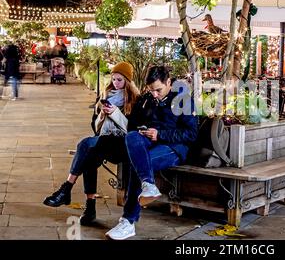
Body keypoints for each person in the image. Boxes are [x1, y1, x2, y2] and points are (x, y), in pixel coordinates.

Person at [105, 66, 198, 240]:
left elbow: (191, 134)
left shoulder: (183, 100)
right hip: (147, 141)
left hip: (173, 148)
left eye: (158, 90)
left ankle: (128, 221)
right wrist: (141, 129)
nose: (155, 94)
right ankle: (148, 185)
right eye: (151, 90)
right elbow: (131, 126)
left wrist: (160, 134)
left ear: (168, 82)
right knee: (132, 137)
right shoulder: (148, 99)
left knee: (137, 163)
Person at [43, 62, 140, 226]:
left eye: (120, 80)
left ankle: (66, 189)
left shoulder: (135, 100)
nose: (115, 83)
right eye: (114, 79)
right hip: (104, 141)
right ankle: (89, 208)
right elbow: (95, 128)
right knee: (89, 156)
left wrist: (115, 113)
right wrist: (102, 115)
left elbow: (131, 130)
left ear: (128, 82)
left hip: (122, 145)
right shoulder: (107, 96)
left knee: (86, 143)